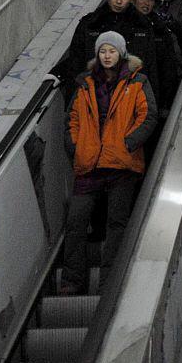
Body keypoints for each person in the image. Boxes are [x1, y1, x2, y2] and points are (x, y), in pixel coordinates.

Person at [61, 32, 157, 294]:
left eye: (112, 51)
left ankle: (109, 283)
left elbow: (147, 115)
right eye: (103, 51)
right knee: (76, 223)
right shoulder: (85, 84)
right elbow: (72, 119)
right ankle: (72, 282)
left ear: (121, 53)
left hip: (120, 164)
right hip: (89, 163)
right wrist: (76, 148)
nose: (107, 56)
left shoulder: (137, 81)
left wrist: (127, 143)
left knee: (116, 224)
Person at [64, 0, 159, 101]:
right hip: (94, 96)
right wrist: (72, 103)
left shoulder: (143, 25)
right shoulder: (90, 24)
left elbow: (151, 66)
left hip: (130, 97)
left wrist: (152, 102)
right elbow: (75, 63)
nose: (119, 1)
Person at [133, 0, 182, 114]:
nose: (147, 3)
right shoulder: (123, 26)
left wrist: (165, 103)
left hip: (153, 98)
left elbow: (169, 68)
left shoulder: (161, 28)